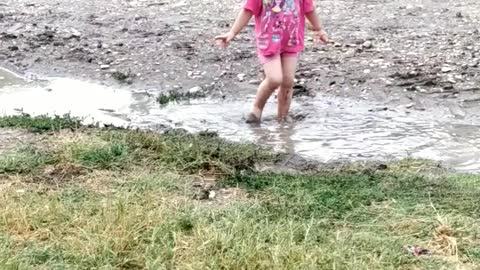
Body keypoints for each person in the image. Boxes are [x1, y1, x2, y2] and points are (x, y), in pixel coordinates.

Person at [215, 0, 328, 123]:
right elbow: (247, 10)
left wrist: (320, 30)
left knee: (288, 81)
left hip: (291, 40)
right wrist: (232, 32)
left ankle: (283, 118)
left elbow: (309, 10)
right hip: (268, 42)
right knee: (274, 79)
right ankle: (256, 110)